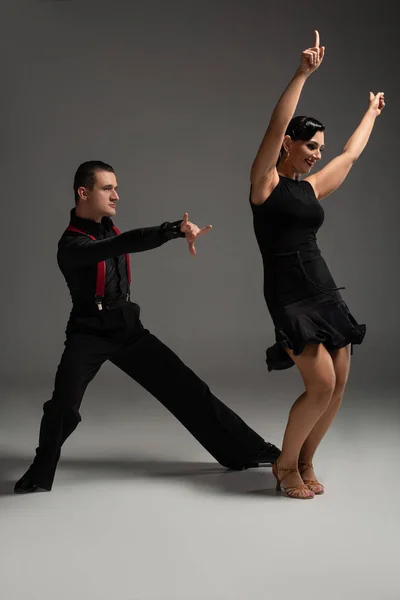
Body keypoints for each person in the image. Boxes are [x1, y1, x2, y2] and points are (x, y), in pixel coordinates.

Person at [14, 160, 280, 493]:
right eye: (107, 188)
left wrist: (176, 230)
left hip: (128, 328)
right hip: (89, 332)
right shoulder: (71, 245)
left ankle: (248, 450)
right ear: (83, 193)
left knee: (189, 389)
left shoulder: (106, 227)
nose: (117, 196)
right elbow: (121, 245)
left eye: (116, 187)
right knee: (63, 406)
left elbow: (119, 243)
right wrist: (171, 230)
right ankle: (40, 473)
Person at [249, 31, 384, 499]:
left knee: (340, 383)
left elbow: (350, 154)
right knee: (320, 383)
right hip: (288, 294)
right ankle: (285, 467)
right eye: (310, 146)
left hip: (324, 288)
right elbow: (274, 125)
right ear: (290, 144)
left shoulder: (310, 189)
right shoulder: (265, 184)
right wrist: (303, 73)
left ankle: (305, 461)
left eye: (319, 148)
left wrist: (371, 113)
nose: (317, 154)